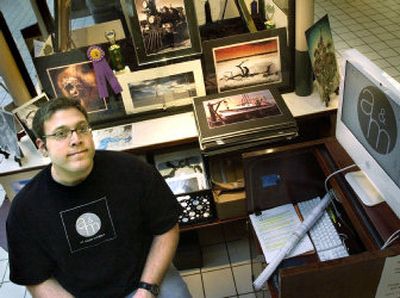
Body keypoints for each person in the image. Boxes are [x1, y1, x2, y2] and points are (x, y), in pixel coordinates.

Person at [6, 97, 191, 298]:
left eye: (82, 128)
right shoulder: (25, 210)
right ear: (42, 146)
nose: (76, 139)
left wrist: (147, 290)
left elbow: (166, 228)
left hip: (147, 278)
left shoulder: (134, 172)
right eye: (61, 134)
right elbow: (35, 277)